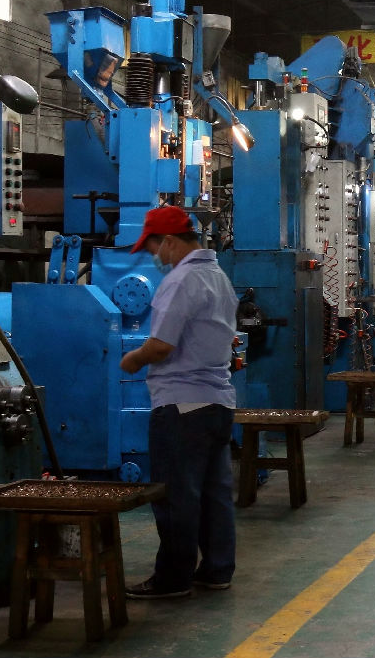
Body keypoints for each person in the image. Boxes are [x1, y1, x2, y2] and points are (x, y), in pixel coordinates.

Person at [119, 206, 239, 599]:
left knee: (177, 496)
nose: (155, 256)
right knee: (214, 493)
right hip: (218, 402)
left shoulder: (180, 280)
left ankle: (173, 578)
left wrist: (132, 359)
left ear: (169, 241)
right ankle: (217, 569)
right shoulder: (218, 277)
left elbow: (161, 346)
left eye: (154, 247)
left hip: (181, 405)